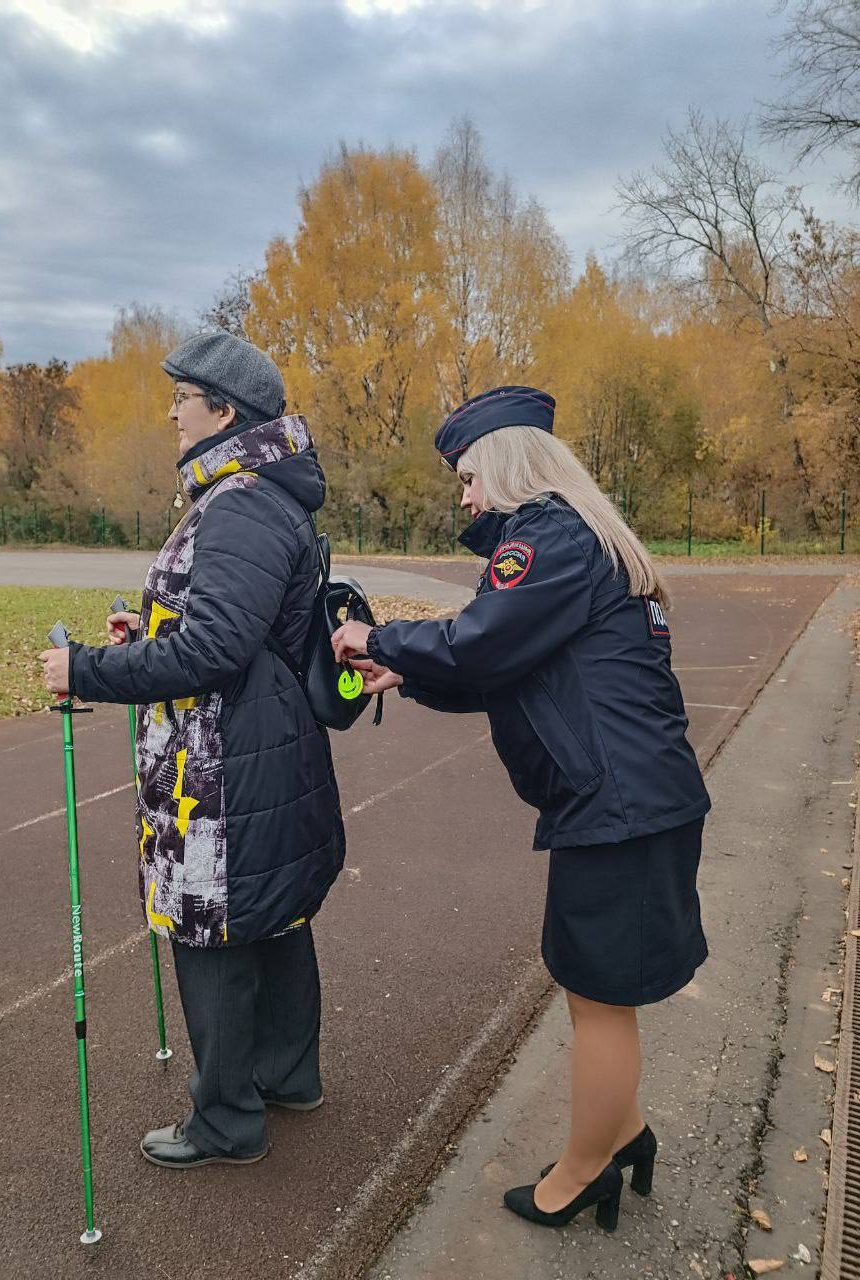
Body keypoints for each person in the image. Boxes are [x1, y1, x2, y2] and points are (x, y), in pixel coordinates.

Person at [331, 386, 710, 1233]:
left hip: (619, 807)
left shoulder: (547, 536)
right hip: (637, 799)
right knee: (603, 992)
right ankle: (626, 1133)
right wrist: (413, 673)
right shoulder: (583, 540)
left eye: (469, 477)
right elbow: (511, 669)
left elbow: (484, 641)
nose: (463, 497)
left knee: (596, 996)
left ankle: (584, 1171)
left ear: (505, 466)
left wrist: (375, 640)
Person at [40, 330, 345, 1169]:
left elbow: (212, 653)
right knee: (274, 915)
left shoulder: (240, 499)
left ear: (225, 410)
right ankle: (288, 1077)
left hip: (224, 763)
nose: (171, 410)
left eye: (183, 396)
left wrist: (85, 670)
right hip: (255, 744)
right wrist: (147, 630)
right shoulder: (249, 493)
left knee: (213, 930)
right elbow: (226, 628)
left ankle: (226, 1122)